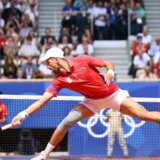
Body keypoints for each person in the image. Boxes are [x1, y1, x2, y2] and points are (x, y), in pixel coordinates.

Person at [11, 47, 160, 160]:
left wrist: (110, 73)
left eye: (48, 62)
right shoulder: (59, 80)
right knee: (66, 122)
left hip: (114, 95)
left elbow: (108, 63)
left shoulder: (82, 59)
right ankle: (44, 155)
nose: (47, 66)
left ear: (56, 58)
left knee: (144, 115)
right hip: (92, 101)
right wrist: (22, 115)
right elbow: (42, 101)